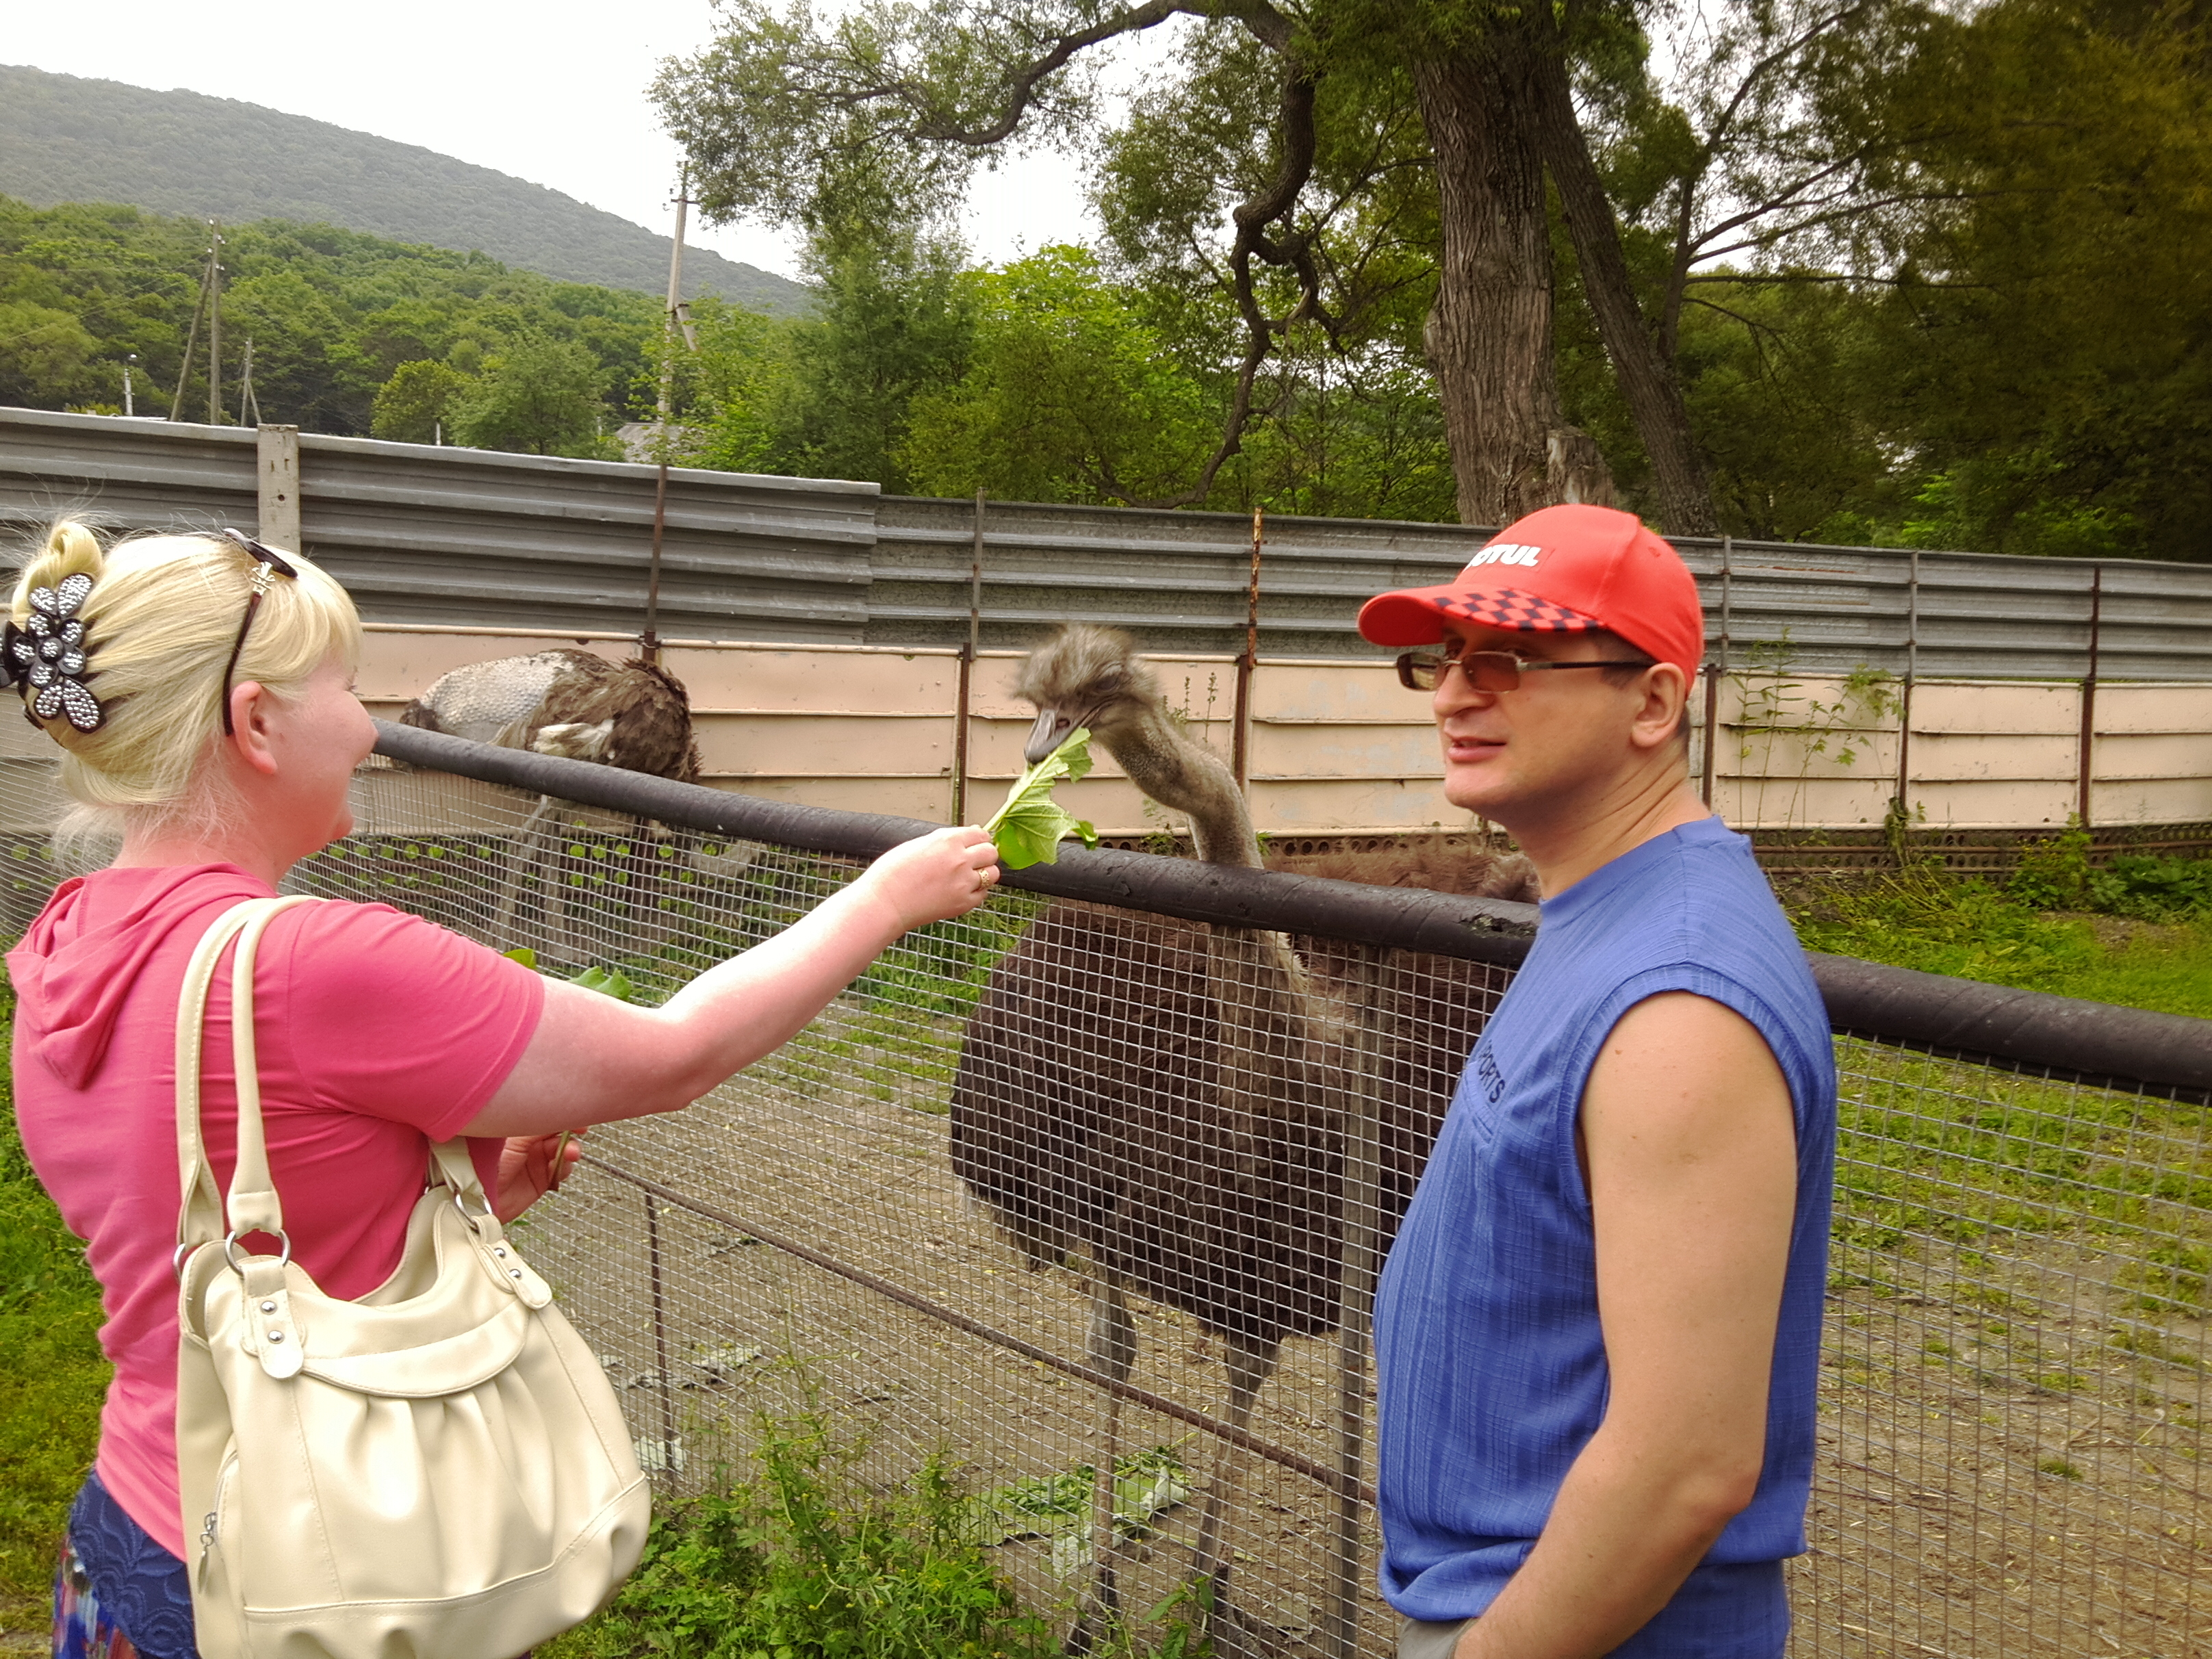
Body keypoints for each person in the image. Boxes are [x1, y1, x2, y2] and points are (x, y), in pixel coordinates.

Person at [7, 521, 1001, 1659]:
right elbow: (677, 1052)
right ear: (258, 724)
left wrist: (408, 1215)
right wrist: (884, 898)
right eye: (347, 684)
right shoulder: (311, 963)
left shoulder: (71, 938)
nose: (370, 725)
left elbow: (188, 1209)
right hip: (298, 1578)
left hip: (130, 1542)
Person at [1357, 504, 1837, 1659]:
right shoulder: (1597, 912)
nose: (1454, 697)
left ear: (1655, 703)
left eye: (1511, 662)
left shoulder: (1679, 1002)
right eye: (1446, 660)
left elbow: (1685, 1466)